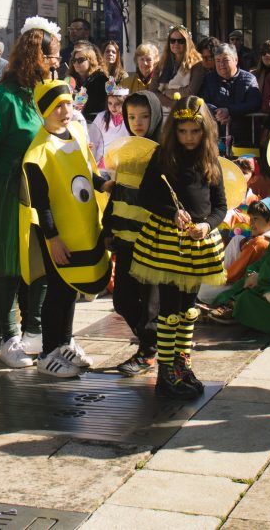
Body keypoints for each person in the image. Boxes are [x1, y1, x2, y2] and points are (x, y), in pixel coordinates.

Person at [129, 94, 227, 399]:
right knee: (170, 309)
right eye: (183, 132)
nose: (189, 138)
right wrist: (172, 213)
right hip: (169, 243)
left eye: (195, 132)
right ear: (174, 130)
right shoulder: (163, 156)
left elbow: (220, 206)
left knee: (189, 309)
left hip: (198, 244)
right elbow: (145, 196)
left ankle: (183, 364)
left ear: (205, 132)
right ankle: (166, 370)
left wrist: (206, 225)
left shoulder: (210, 159)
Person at [0, 18, 59, 364]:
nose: (57, 62)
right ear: (36, 56)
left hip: (42, 196)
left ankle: (34, 334)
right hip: (10, 194)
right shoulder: (4, 97)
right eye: (52, 56)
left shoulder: (45, 95)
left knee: (40, 266)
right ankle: (9, 338)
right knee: (9, 267)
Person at [21, 79, 111, 378]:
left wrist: (104, 185)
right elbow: (41, 203)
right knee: (58, 291)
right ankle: (48, 353)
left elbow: (87, 170)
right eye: (57, 106)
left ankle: (65, 342)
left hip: (82, 228)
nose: (65, 111)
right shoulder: (38, 153)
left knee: (72, 289)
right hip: (58, 235)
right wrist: (53, 239)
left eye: (68, 104)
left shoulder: (76, 132)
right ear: (43, 110)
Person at [102, 89, 163, 376]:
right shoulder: (125, 151)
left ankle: (148, 352)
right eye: (132, 117)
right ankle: (156, 342)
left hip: (151, 240)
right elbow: (117, 193)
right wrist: (108, 227)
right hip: (125, 238)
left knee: (150, 300)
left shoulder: (162, 153)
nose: (138, 122)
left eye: (144, 116)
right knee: (122, 300)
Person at [200, 44, 261, 152]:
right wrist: (218, 113)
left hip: (244, 136)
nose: (221, 64)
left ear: (235, 60)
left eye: (225, 60)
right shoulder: (209, 79)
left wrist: (230, 111)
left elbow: (254, 103)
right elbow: (202, 102)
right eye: (218, 60)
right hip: (215, 136)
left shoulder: (249, 79)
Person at [150, 25, 206, 110]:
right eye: (172, 41)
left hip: (186, 109)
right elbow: (152, 91)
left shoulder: (197, 64)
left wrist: (167, 92)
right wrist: (172, 103)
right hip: (162, 110)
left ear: (187, 42)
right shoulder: (161, 64)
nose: (176, 44)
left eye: (180, 41)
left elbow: (190, 92)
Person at [87, 83, 129, 161]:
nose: (113, 107)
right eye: (110, 103)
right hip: (103, 159)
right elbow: (92, 139)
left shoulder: (129, 118)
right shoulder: (101, 117)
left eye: (117, 104)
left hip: (121, 160)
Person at [68, 41, 108, 121]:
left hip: (95, 122)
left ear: (90, 60)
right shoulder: (70, 80)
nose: (76, 63)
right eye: (74, 60)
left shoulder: (101, 80)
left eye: (81, 60)